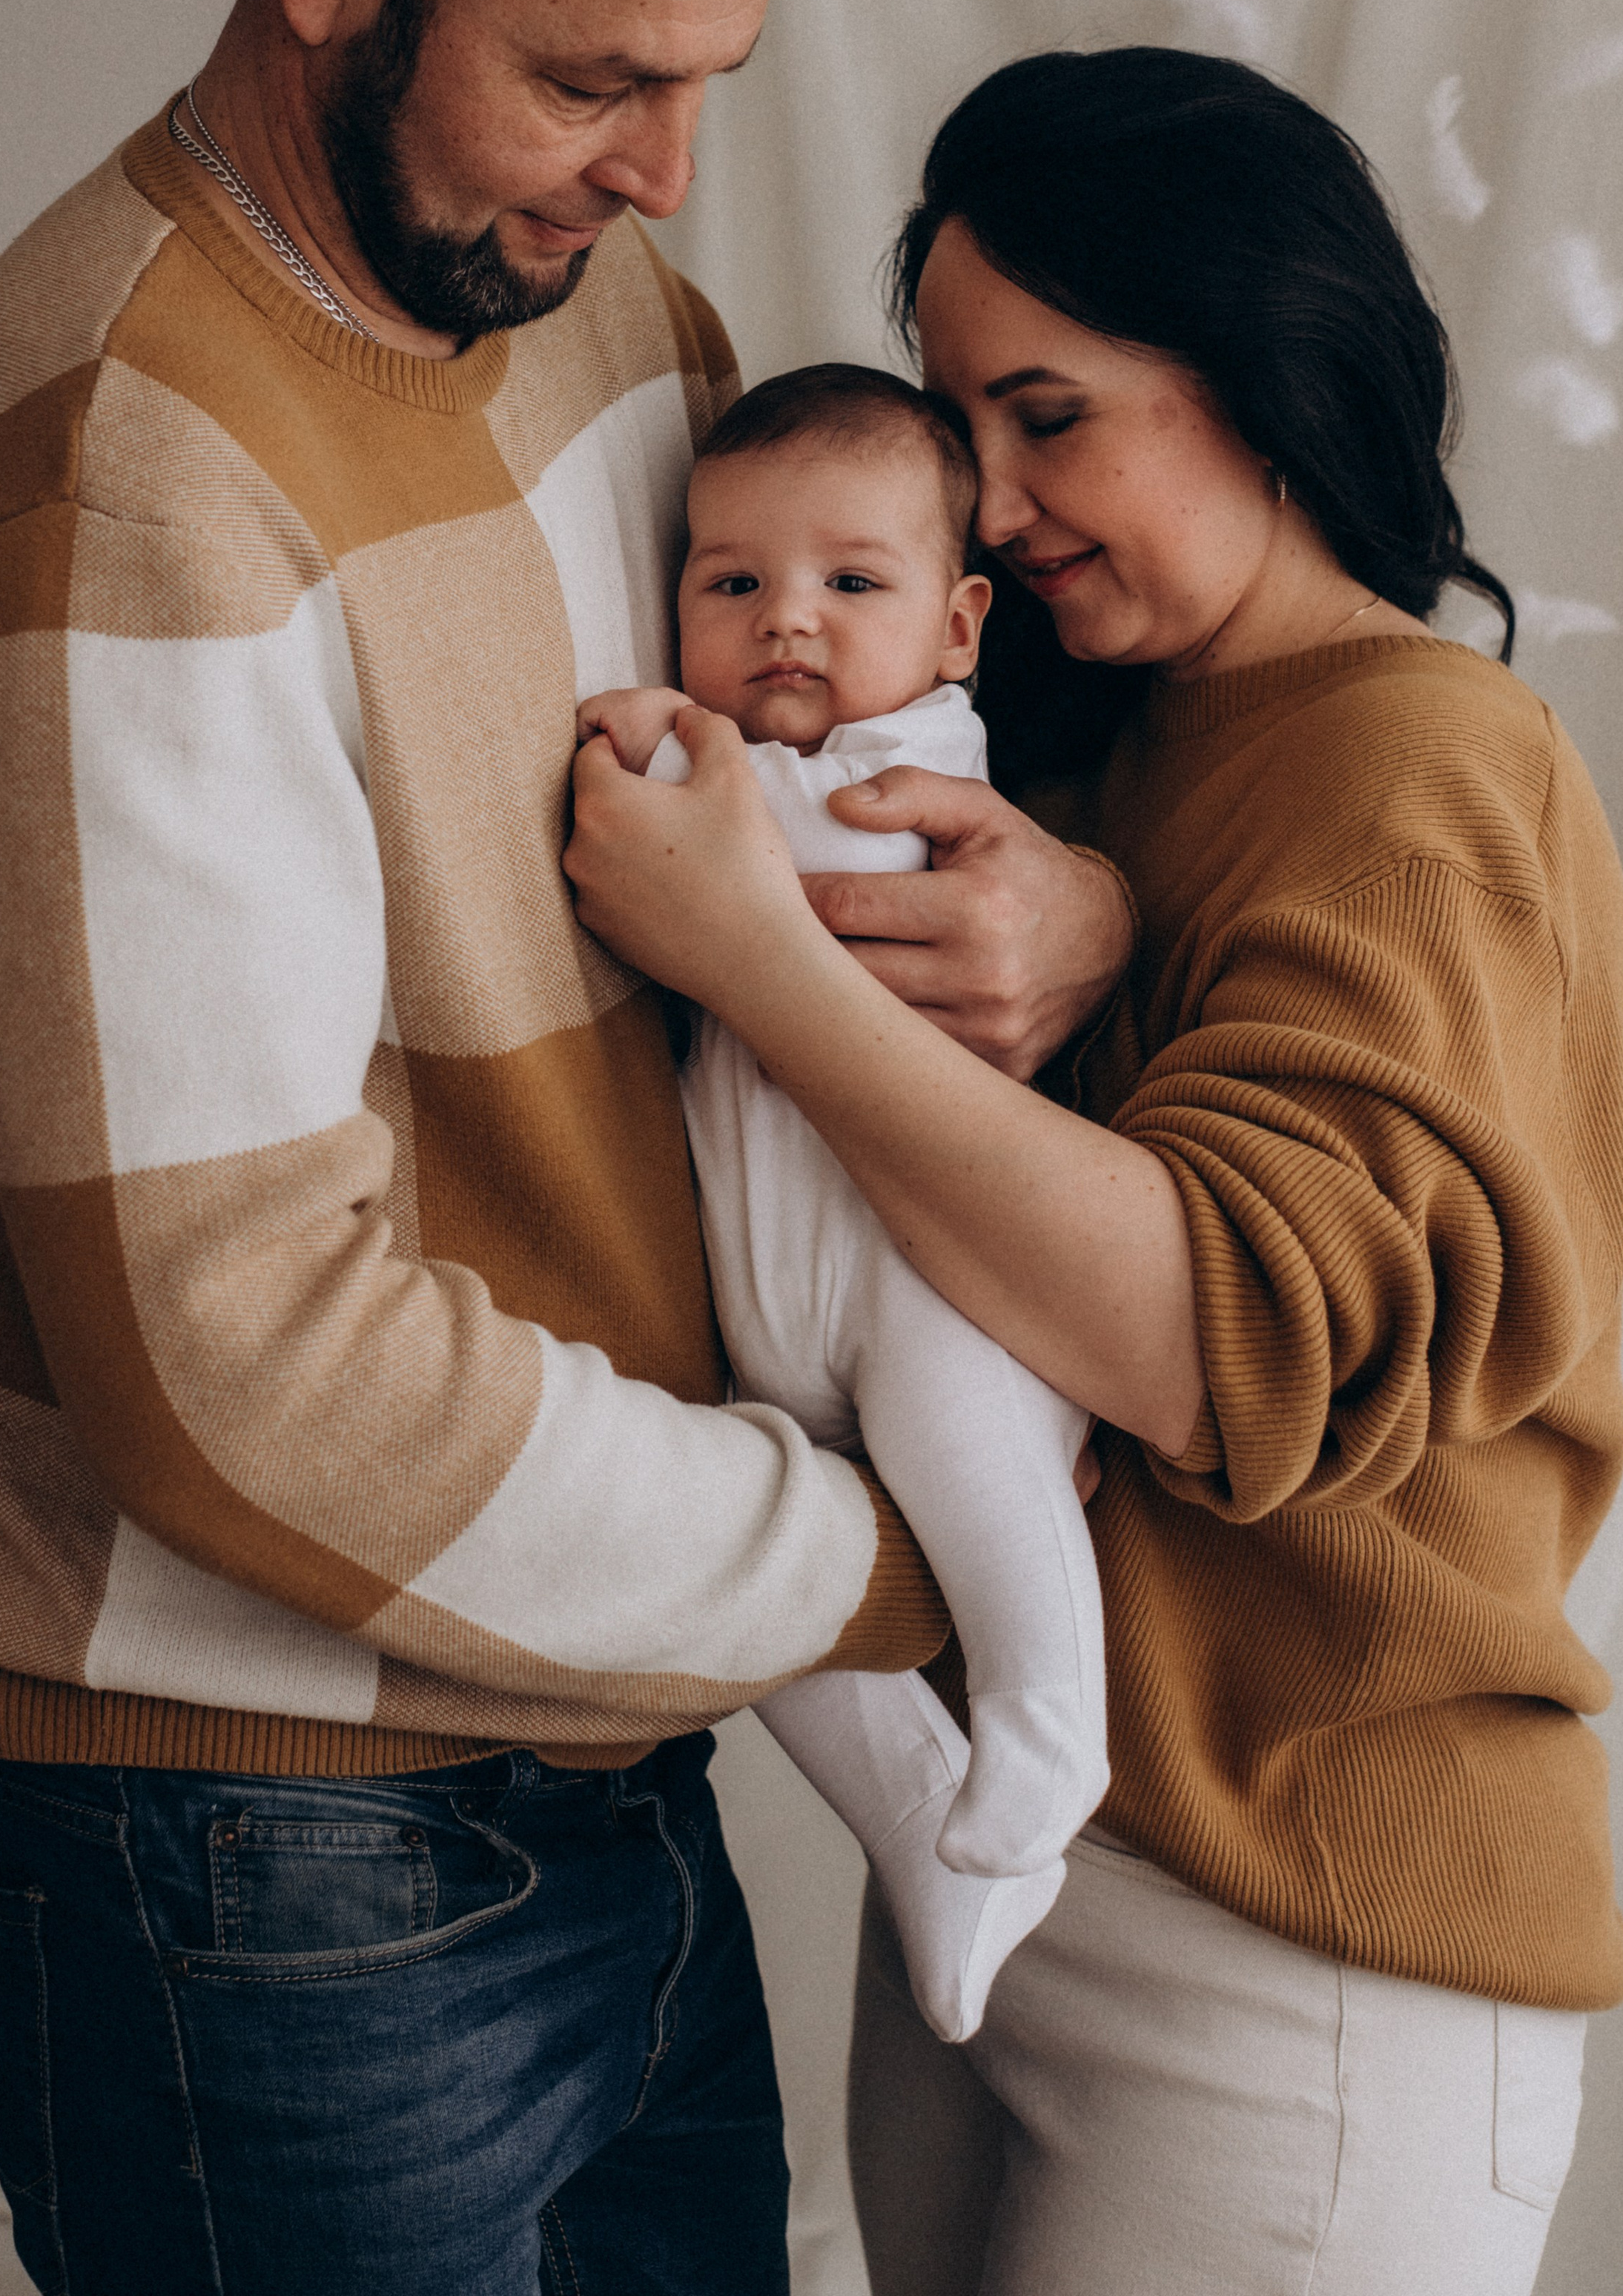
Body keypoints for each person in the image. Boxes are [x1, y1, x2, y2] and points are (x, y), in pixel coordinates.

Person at [0, 0, 1131, 2296]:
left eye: (707, 78)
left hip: (584, 1725)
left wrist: (1072, 891)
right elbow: (247, 1364)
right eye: (592, 79)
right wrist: (888, 1550)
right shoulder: (122, 482)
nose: (671, 177)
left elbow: (821, 757)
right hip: (259, 1830)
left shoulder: (590, 305)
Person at [563, 47, 1623, 2296]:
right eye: (973, 441)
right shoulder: (1092, 736)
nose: (1004, 504)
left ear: (1255, 372)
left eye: (1052, 418)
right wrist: (1096, 911)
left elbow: (1204, 1339)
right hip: (1025, 1860)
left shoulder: (1425, 759)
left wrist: (764, 965)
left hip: (1304, 1925)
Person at [580, 363, 1109, 2047]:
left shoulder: (902, 769)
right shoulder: (742, 758)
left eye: (848, 583)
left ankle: (1049, 1713)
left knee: (975, 1469)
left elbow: (741, 829)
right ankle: (922, 1832)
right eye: (731, 582)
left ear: (958, 628)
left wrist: (650, 738)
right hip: (764, 1327)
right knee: (756, 1609)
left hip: (923, 1285)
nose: (785, 623)